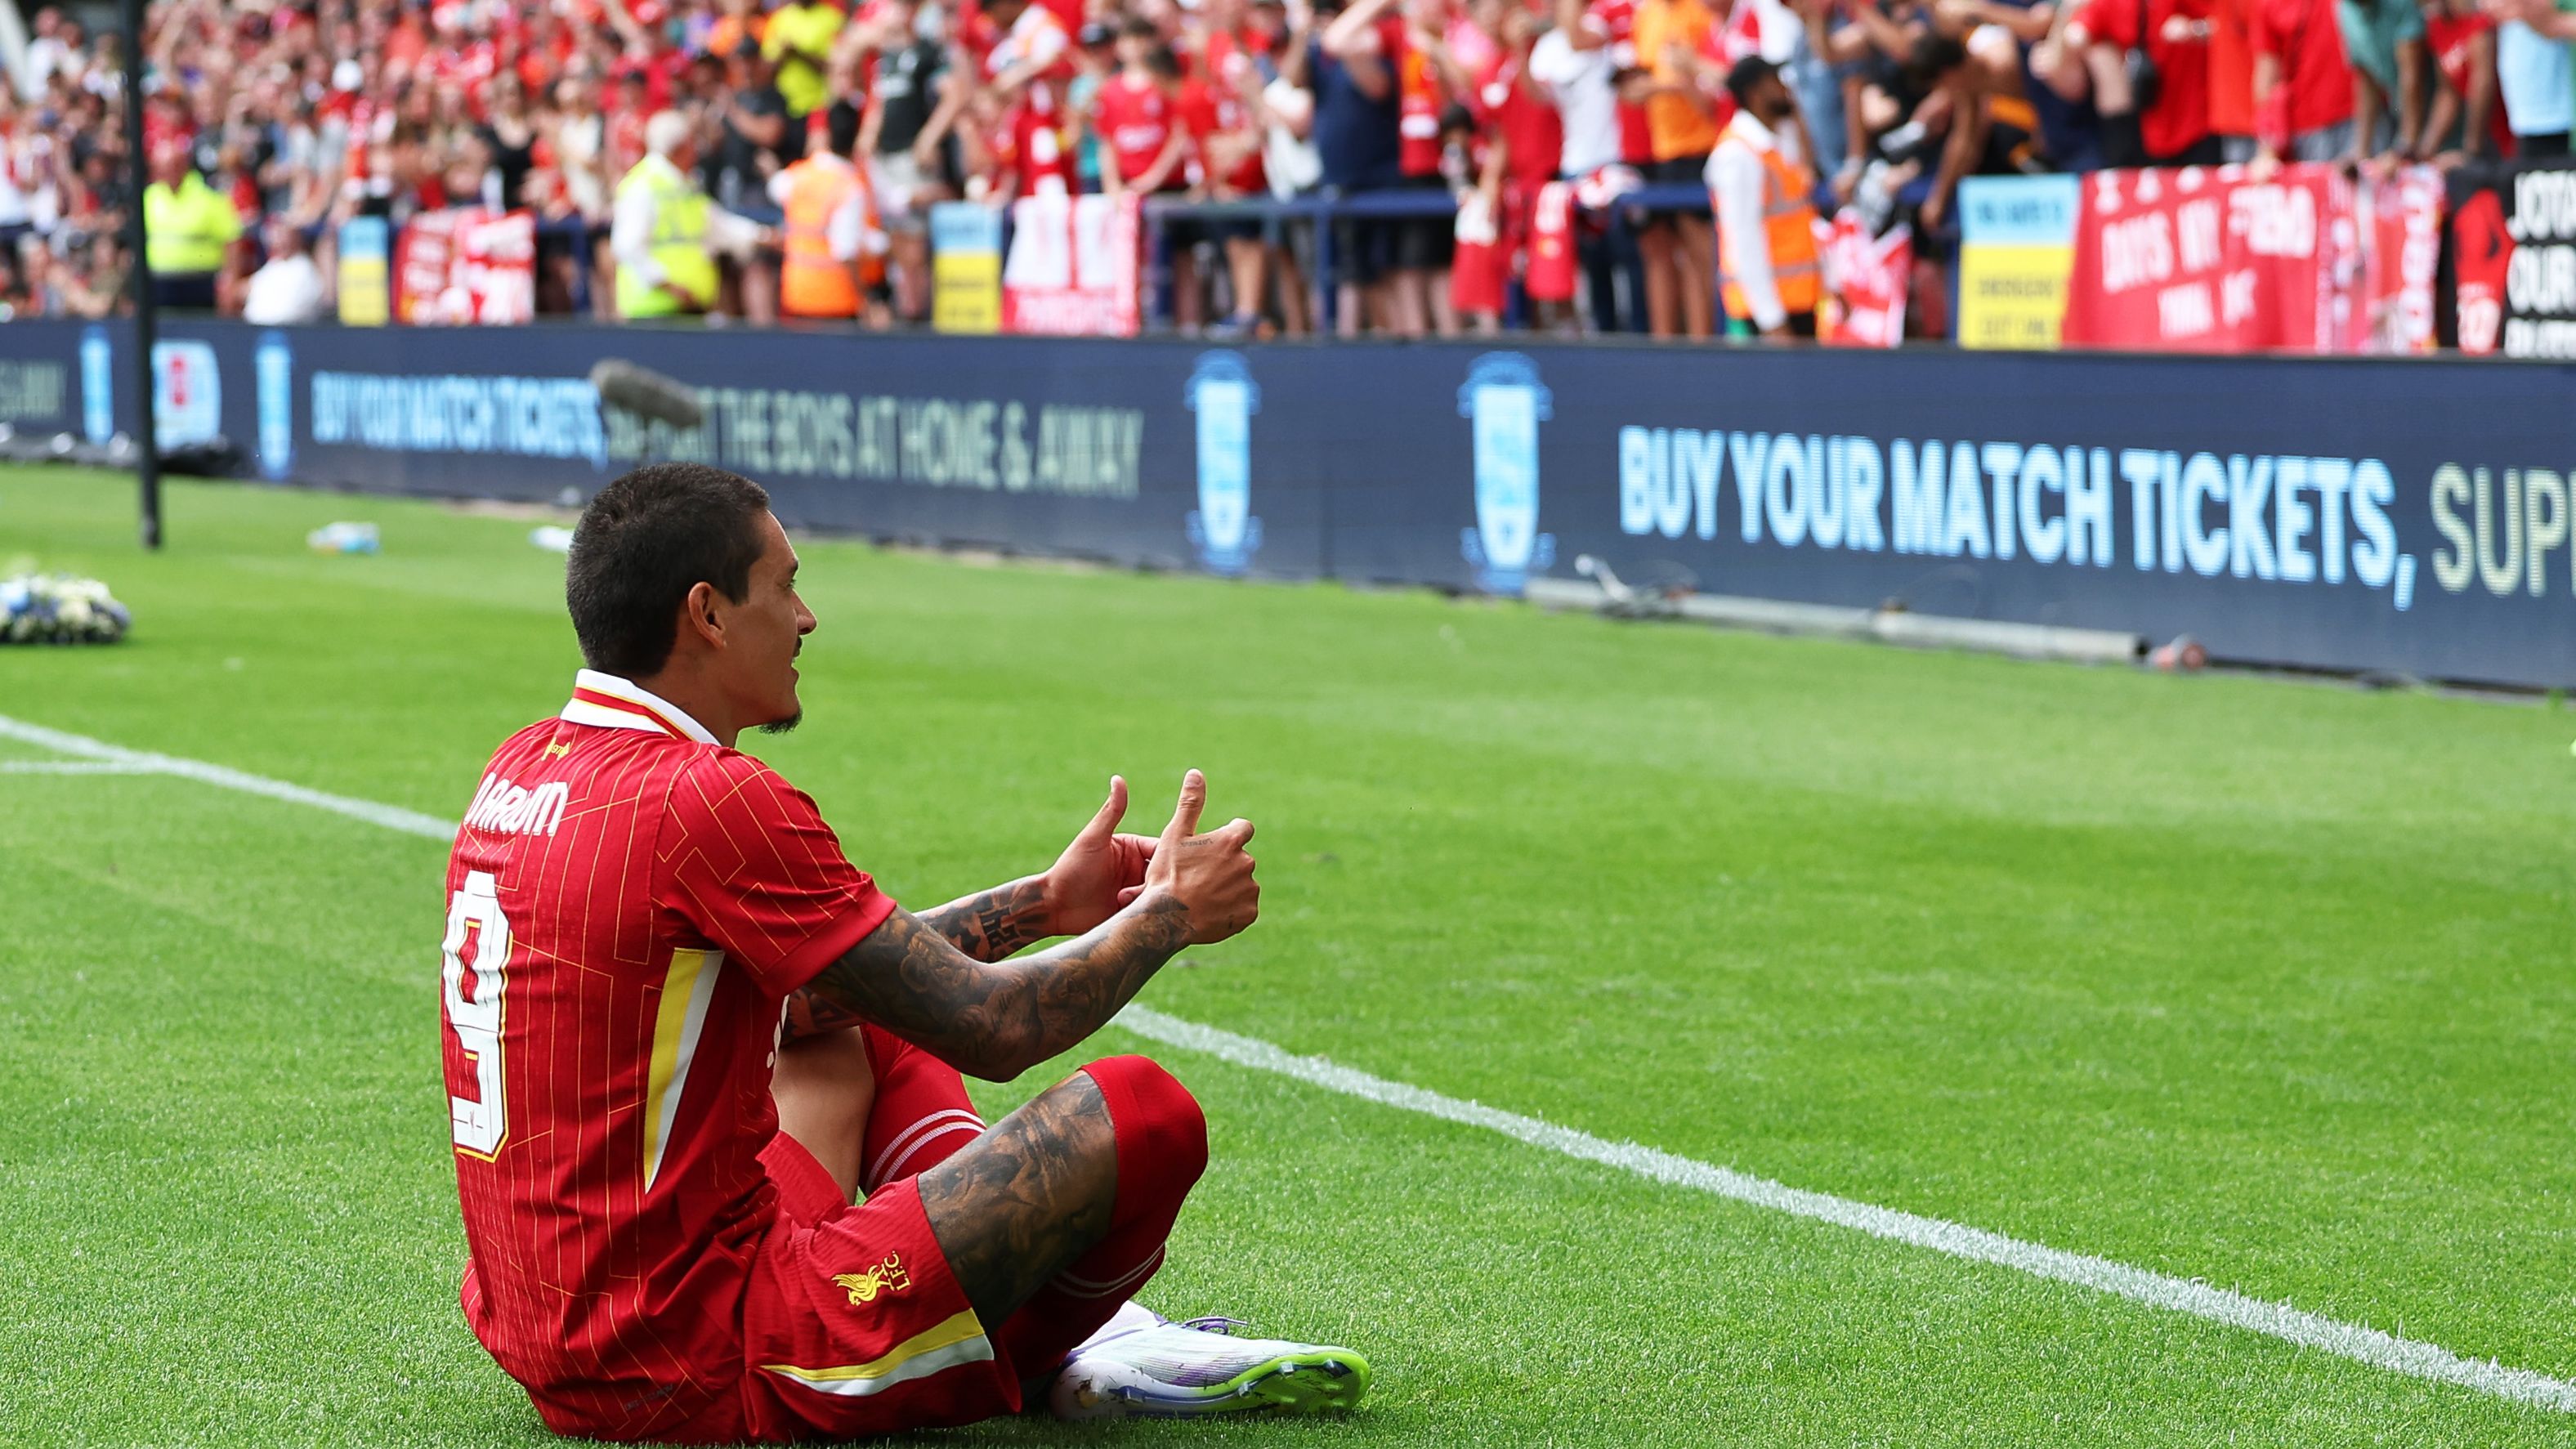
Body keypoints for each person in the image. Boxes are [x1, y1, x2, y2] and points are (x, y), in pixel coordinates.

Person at [441, 463, 1371, 1442]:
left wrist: (1044, 903)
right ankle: (1063, 1346)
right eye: (785, 587)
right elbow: (993, 1027)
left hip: (564, 1320)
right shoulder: (704, 797)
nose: (806, 619)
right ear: (707, 614)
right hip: (689, 1353)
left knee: (856, 1019)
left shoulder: (524, 764)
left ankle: (991, 1305)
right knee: (1144, 1113)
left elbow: (816, 1000)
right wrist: (1169, 915)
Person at [610, 110, 767, 320]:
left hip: (690, 306)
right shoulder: (642, 186)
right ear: (680, 147)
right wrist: (668, 286)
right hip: (653, 311)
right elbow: (627, 246)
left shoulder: (686, 185)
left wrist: (763, 236)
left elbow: (716, 225)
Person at [1706, 55, 1820, 338]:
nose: (1784, 89)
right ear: (1755, 93)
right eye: (1775, 82)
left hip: (1797, 301)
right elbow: (1744, 240)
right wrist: (1771, 320)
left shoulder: (1775, 143)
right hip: (1766, 314)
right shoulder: (1738, 154)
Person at [771, 101, 888, 325]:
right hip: (837, 302)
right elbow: (846, 250)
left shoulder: (798, 176)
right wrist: (866, 302)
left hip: (798, 297)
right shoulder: (849, 187)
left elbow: (776, 187)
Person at [2251, 0, 2360, 167]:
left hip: (2363, 116)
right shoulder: (2269, 5)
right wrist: (2266, 148)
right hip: (2308, 127)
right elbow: (2267, 76)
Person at [140, 140, 241, 312]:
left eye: (169, 166)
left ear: (182, 166)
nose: (163, 172)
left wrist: (230, 281)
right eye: (159, 167)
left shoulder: (208, 197)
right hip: (158, 284)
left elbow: (232, 240)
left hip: (200, 285)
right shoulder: (149, 197)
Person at [240, 217, 328, 325]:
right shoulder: (273, 265)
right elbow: (246, 290)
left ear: (296, 238)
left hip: (287, 331)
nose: (278, 241)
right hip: (254, 329)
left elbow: (289, 311)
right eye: (275, 236)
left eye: (283, 235)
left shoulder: (304, 268)